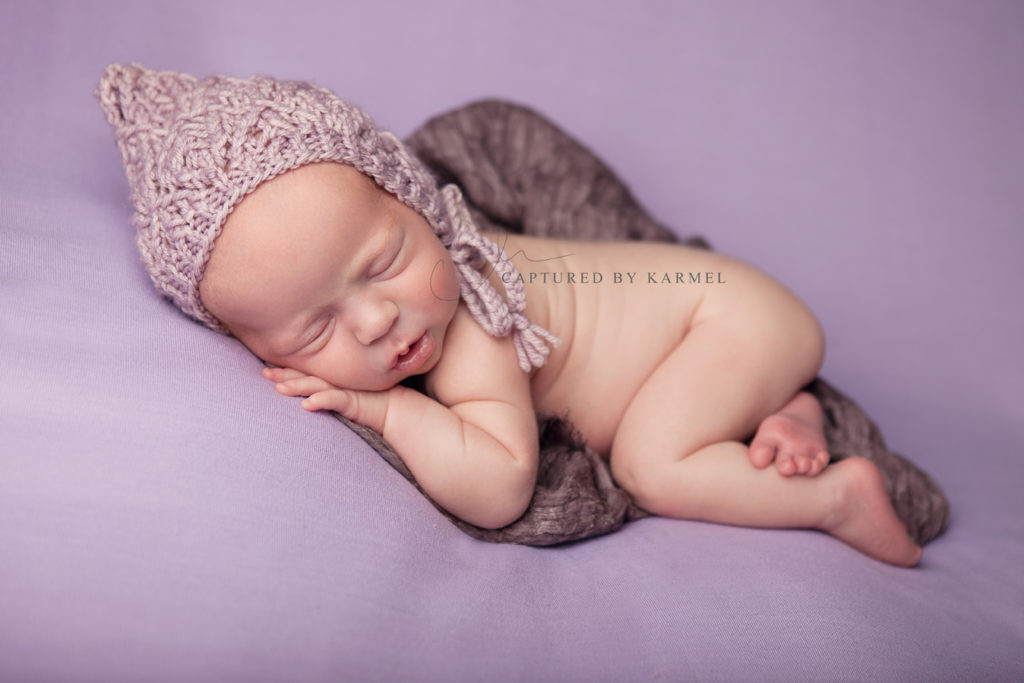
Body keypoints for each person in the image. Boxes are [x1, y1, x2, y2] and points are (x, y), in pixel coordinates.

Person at [96, 63, 922, 567]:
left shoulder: (474, 320)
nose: (381, 321)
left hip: (727, 314)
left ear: (417, 200)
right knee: (684, 404)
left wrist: (383, 408)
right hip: (720, 323)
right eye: (317, 331)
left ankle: (835, 497)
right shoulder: (409, 301)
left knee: (651, 461)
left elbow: (498, 486)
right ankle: (786, 405)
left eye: (384, 262)